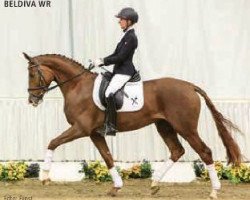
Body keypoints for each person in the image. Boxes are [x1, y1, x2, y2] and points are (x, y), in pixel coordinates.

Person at [93, 7, 139, 136]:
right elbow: (115, 54)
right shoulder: (126, 36)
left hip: (125, 71)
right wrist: (102, 59)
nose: (119, 21)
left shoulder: (131, 37)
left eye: (121, 19)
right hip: (119, 70)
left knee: (109, 93)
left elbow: (121, 57)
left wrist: (103, 62)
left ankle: (111, 126)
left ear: (129, 21)